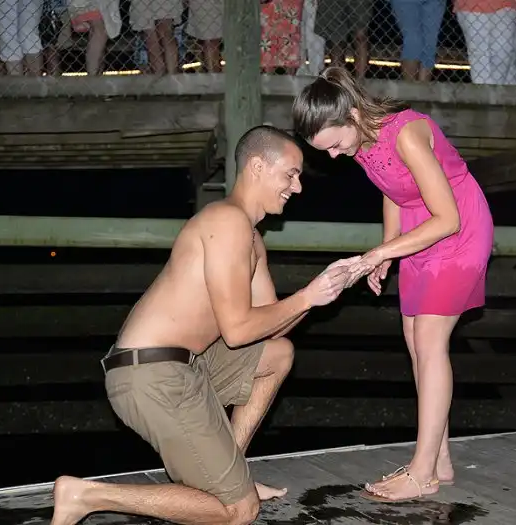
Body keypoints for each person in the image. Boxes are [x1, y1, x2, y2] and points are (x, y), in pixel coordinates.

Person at [50, 125, 363, 525]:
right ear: (257, 166)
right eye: (291, 174)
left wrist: (323, 293)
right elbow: (237, 330)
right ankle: (85, 495)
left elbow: (271, 328)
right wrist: (306, 296)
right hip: (150, 373)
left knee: (278, 354)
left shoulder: (251, 238)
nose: (298, 187)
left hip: (184, 367)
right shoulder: (226, 221)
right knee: (240, 512)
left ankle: (230, 473)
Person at [292, 68, 494, 503]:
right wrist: (388, 248)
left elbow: (448, 219)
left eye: (334, 145)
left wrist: (378, 255)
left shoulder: (406, 134)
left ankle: (421, 473)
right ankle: (439, 459)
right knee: (414, 339)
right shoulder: (360, 141)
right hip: (418, 230)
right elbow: (393, 190)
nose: (333, 156)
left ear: (352, 114)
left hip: (456, 227)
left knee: (430, 339)